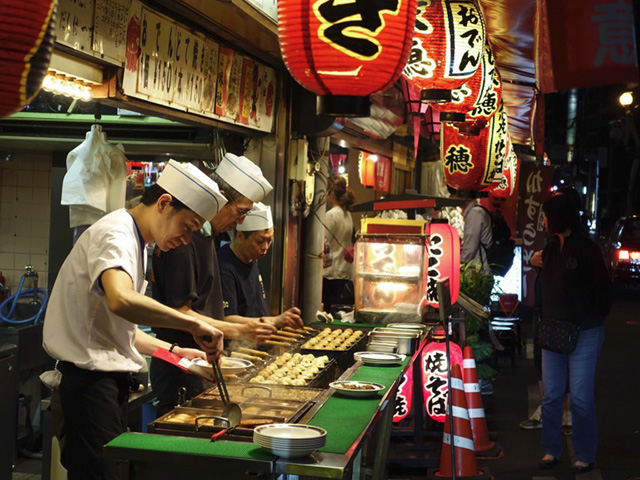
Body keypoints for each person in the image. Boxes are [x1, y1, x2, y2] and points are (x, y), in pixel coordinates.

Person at [43, 160, 225, 480]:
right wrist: (193, 324)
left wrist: (173, 351)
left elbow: (121, 329)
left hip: (104, 388)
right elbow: (121, 300)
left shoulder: (137, 242)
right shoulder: (116, 232)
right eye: (188, 226)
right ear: (165, 204)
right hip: (88, 388)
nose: (187, 240)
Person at [150, 154, 278, 415]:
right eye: (240, 212)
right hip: (180, 365)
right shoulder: (183, 241)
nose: (240, 221)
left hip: (199, 361)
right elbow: (180, 312)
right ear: (220, 197)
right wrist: (238, 331)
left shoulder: (207, 237)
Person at [537, 194, 612, 474]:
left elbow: (604, 291)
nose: (544, 221)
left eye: (546, 216)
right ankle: (550, 450)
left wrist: (588, 321)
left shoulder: (587, 249)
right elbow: (543, 289)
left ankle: (584, 454)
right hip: (554, 332)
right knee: (552, 395)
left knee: (580, 396)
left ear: (558, 218)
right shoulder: (550, 249)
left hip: (585, 332)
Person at [218, 202, 303, 326]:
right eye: (259, 241)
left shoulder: (251, 258)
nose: (265, 247)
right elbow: (226, 318)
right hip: (236, 343)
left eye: (270, 240)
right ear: (240, 236)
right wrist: (275, 320)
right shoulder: (224, 267)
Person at [322, 176, 356, 314]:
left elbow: (323, 242)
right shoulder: (347, 214)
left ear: (332, 194)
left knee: (330, 312)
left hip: (331, 272)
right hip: (345, 270)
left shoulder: (331, 215)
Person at [460, 197, 493, 276]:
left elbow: (470, 249)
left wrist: (458, 264)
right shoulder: (478, 210)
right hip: (481, 271)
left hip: (478, 273)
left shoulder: (474, 213)